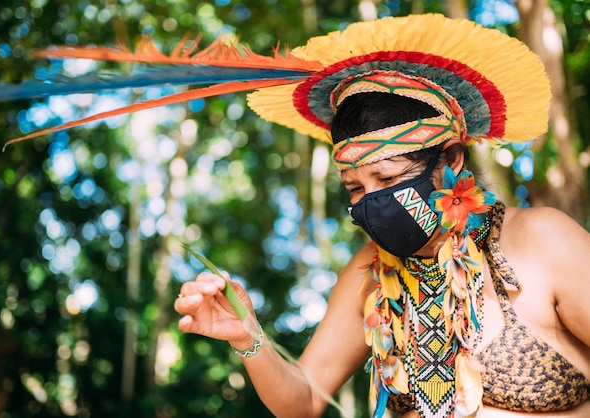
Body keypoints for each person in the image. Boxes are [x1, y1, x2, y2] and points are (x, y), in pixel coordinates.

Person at [174, 14, 590, 418]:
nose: (373, 200)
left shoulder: (541, 240)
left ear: (451, 160)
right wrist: (248, 335)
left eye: (388, 177)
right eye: (355, 187)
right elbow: (304, 400)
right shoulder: (367, 274)